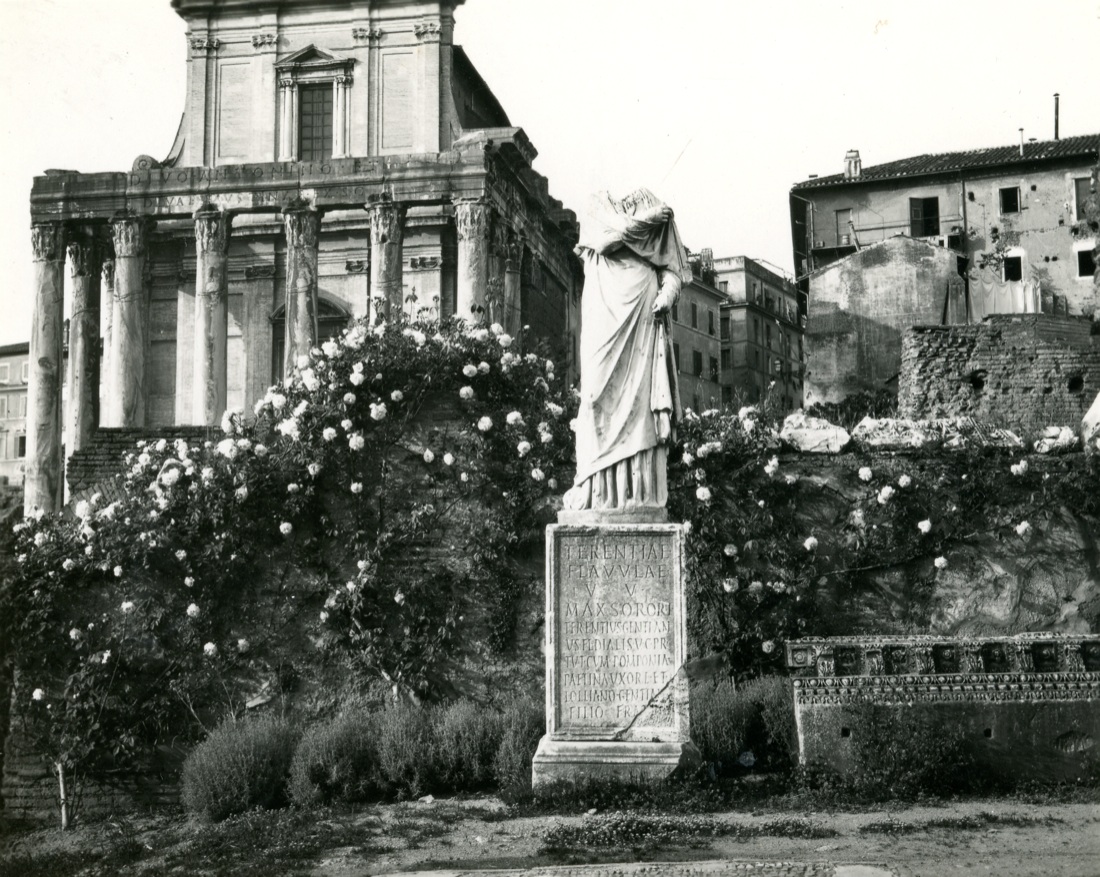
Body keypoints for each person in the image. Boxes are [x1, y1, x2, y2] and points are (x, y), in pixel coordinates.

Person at [564, 188, 692, 511]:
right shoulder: (596, 205)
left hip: (644, 315)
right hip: (603, 316)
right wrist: (647, 220)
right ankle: (594, 490)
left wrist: (668, 295)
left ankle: (638, 496)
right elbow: (607, 241)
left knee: (641, 412)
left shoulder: (654, 204)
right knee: (593, 396)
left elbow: (673, 271)